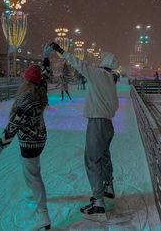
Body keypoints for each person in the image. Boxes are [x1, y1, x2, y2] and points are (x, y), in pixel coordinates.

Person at [50, 42, 118, 221]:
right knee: (103, 156)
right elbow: (115, 104)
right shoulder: (111, 78)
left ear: (103, 61)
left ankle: (98, 202)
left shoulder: (98, 74)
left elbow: (79, 64)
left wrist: (61, 51)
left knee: (92, 160)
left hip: (97, 123)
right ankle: (108, 186)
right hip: (108, 123)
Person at [0, 44, 53, 231]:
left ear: (26, 80)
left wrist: (0, 146)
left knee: (33, 176)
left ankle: (44, 216)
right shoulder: (40, 90)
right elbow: (46, 75)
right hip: (40, 137)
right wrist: (46, 58)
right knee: (32, 171)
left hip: (30, 142)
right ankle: (36, 195)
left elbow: (13, 126)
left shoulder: (25, 98)